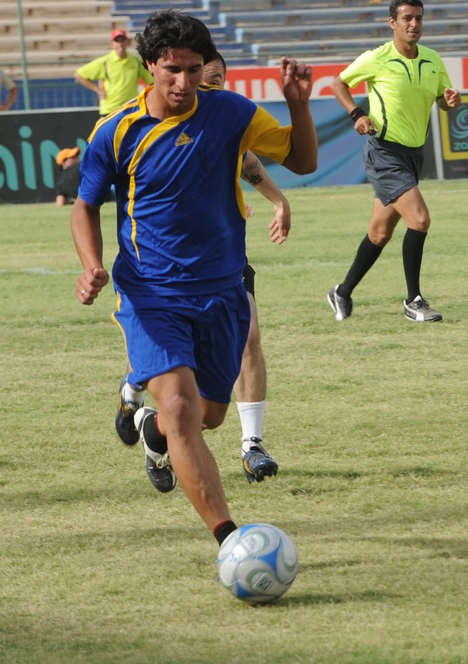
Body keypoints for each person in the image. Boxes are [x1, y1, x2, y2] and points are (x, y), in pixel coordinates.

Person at [71, 9, 317, 549]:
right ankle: (231, 540)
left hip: (223, 292)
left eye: (193, 69)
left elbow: (301, 162)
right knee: (181, 408)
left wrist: (298, 104)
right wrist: (91, 264)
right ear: (150, 67)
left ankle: (152, 428)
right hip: (151, 294)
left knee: (207, 417)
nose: (183, 82)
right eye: (172, 70)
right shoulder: (116, 131)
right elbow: (84, 205)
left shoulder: (231, 112)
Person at [115, 54, 288, 485]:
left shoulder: (226, 120)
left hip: (224, 259)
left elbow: (247, 160)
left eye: (214, 80)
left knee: (249, 339)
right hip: (166, 270)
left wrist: (278, 200)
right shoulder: (150, 127)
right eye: (199, 79)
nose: (203, 88)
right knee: (180, 377)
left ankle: (252, 445)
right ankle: (143, 399)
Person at [326, 0, 461, 323]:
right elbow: (338, 83)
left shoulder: (432, 59)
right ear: (393, 23)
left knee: (379, 233)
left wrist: (450, 101)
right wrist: (357, 114)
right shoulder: (378, 57)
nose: (414, 24)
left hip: (414, 155)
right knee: (420, 219)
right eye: (407, 18)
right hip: (384, 152)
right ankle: (414, 301)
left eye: (418, 18)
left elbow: (442, 100)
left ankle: (341, 292)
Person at [74, 29, 155, 116]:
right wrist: (98, 90)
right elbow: (79, 75)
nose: (120, 44)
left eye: (122, 40)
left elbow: (152, 80)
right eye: (117, 41)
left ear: (127, 42)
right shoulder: (105, 62)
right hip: (110, 109)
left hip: (131, 108)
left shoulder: (136, 61)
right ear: (112, 44)